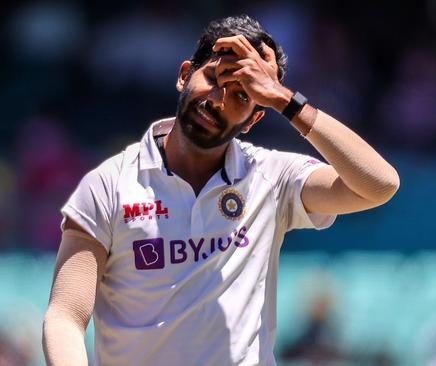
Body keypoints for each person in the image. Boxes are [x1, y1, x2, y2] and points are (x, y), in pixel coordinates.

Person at [43, 15, 399, 366]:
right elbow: (65, 316)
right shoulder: (110, 184)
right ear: (185, 75)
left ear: (255, 119)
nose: (217, 99)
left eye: (241, 95)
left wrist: (287, 102)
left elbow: (379, 185)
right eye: (213, 77)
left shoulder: (272, 177)